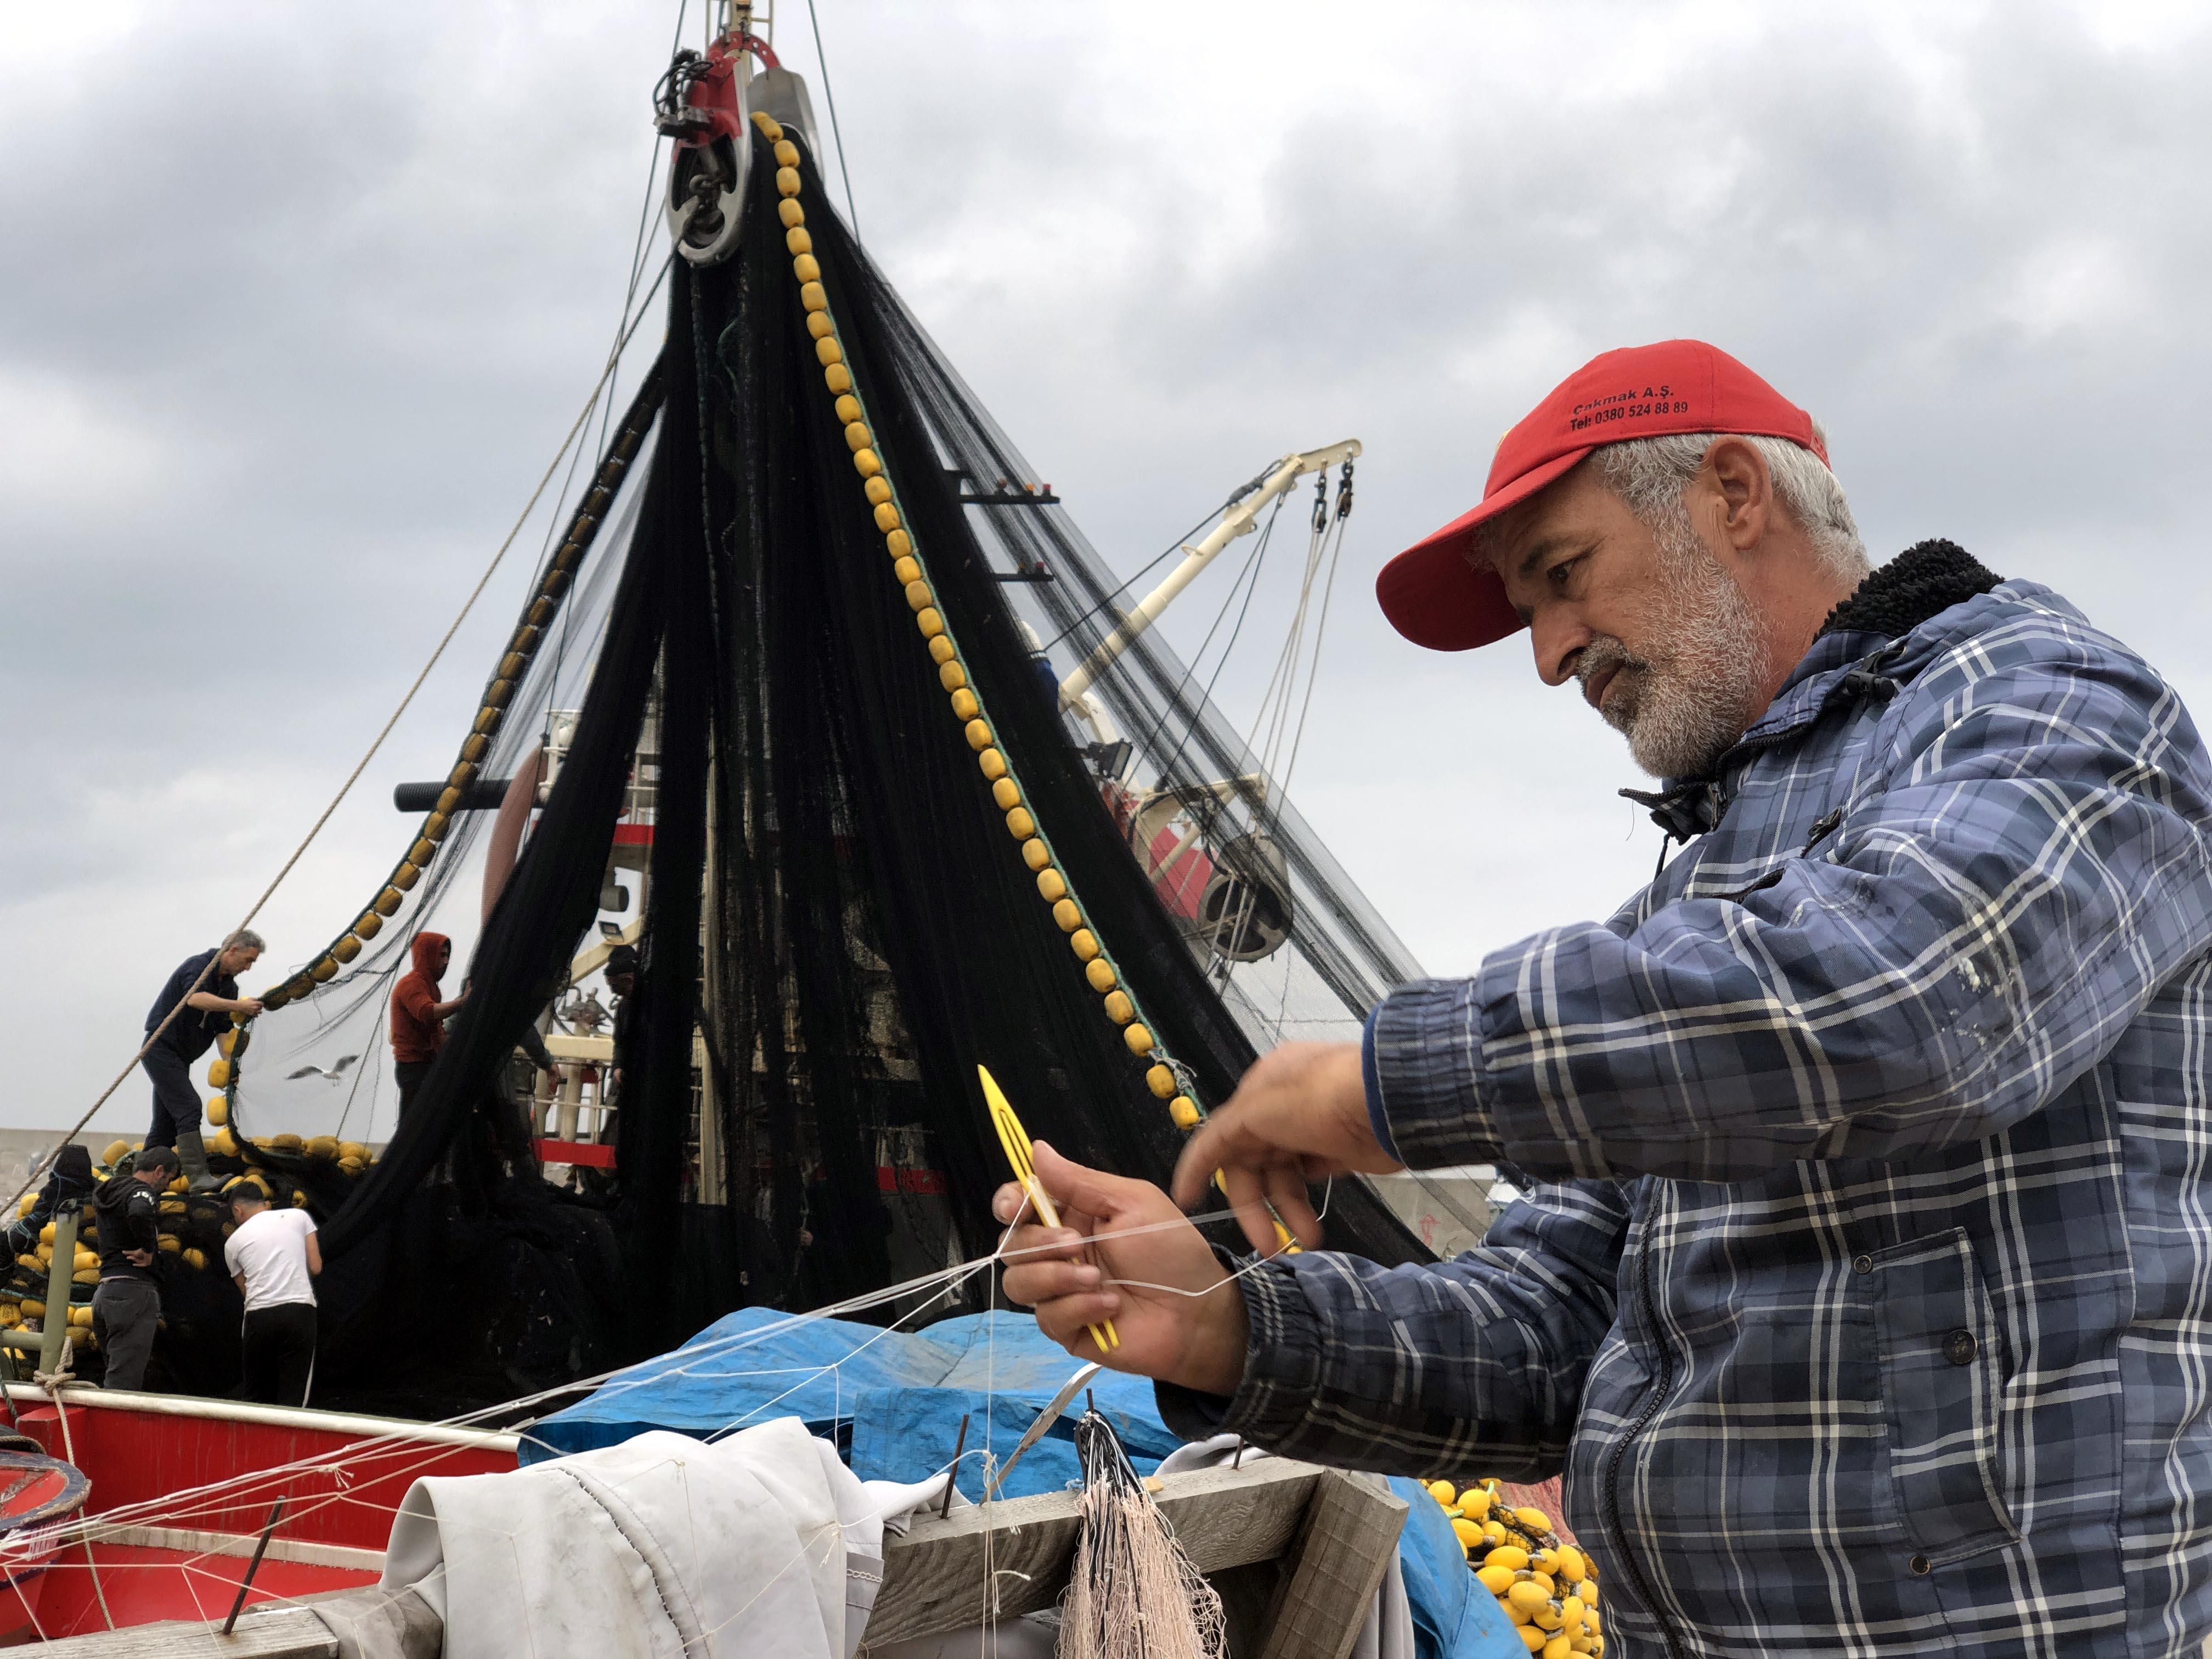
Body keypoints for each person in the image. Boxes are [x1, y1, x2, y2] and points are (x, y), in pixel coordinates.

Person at [1001, 340, 2212, 1656]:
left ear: (1735, 493)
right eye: (1529, 612)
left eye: (1562, 577)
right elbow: (1554, 1334)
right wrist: (1223, 1325)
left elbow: (1905, 1006)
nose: (1550, 653)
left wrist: (1393, 1083)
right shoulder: (1705, 895)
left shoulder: (2049, 708)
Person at [143, 930, 264, 1185]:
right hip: (161, 1049)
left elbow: (221, 1031)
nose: (248, 967)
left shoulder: (229, 988)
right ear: (232, 951)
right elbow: (194, 999)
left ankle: (140, 1181)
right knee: (189, 1107)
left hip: (181, 1059)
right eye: (248, 960)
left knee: (165, 1126)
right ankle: (198, 1178)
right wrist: (239, 1007)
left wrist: (232, 1067)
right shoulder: (199, 966)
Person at [223, 1183, 320, 1406]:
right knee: (293, 1396)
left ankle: (252, 1440)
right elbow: (315, 1267)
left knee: (256, 1394)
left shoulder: (232, 1243)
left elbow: (246, 1292)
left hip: (259, 1317)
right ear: (266, 1205)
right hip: (299, 1310)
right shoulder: (298, 1216)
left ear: (237, 1210)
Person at [91, 1143, 178, 1391]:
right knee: (123, 1386)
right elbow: (140, 1212)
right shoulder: (143, 1193)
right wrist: (149, 1250)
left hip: (104, 1294)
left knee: (115, 1373)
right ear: (159, 1171)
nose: (168, 1187)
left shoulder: (110, 1191)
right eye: (169, 1179)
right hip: (132, 1294)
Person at [391, 932, 464, 1121]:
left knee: (420, 1124)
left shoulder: (431, 988)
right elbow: (426, 1012)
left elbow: (436, 1030)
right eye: (441, 955)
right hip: (414, 1068)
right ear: (427, 954)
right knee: (413, 1127)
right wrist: (461, 1003)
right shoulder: (412, 984)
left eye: (448, 955)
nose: (447, 961)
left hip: (426, 1065)